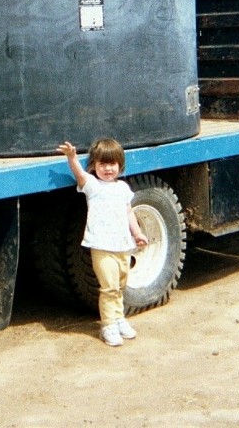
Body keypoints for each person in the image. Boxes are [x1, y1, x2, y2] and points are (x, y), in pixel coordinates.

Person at [57, 138, 149, 346]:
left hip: (123, 246)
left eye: (112, 164)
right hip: (102, 247)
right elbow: (80, 176)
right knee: (108, 287)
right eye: (102, 164)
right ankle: (107, 325)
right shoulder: (93, 186)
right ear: (94, 166)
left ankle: (119, 318)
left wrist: (137, 234)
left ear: (120, 166)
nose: (108, 169)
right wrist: (71, 157)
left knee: (120, 285)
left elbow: (129, 213)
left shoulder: (123, 188)